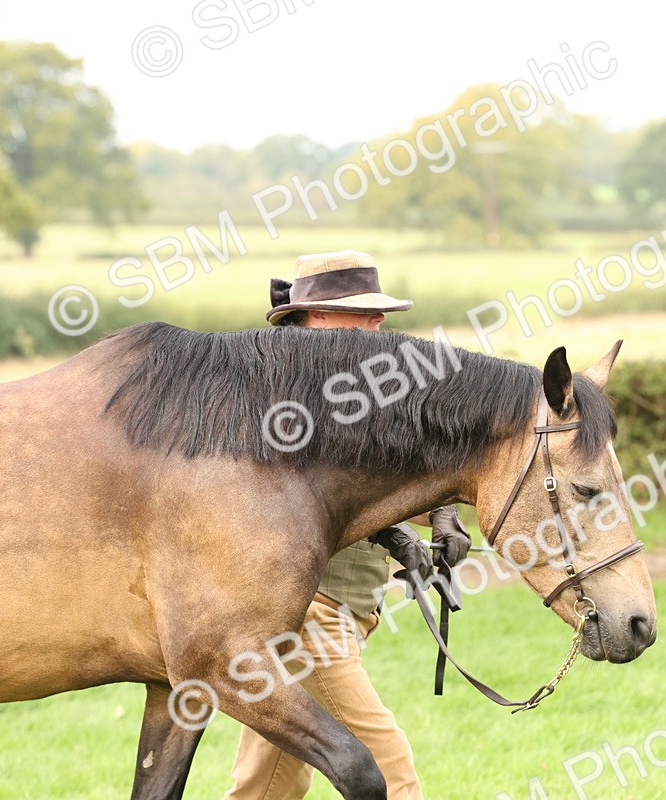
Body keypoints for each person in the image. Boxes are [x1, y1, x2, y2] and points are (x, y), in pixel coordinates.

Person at [226, 250, 473, 800]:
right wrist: (396, 533)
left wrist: (443, 513)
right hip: (306, 606)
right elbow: (317, 488)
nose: (379, 322)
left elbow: (397, 470)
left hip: (342, 605)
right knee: (389, 769)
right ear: (317, 317)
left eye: (378, 311)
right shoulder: (286, 392)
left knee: (269, 784)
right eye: (362, 312)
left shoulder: (360, 386)